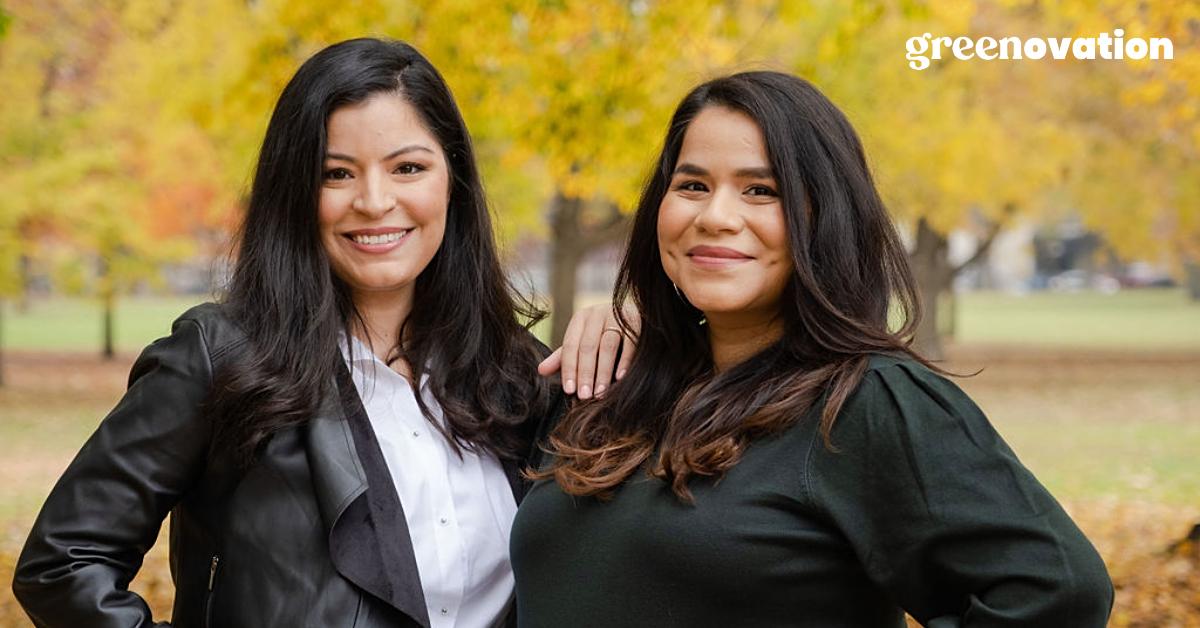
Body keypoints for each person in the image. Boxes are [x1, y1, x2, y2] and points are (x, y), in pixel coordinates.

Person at [12, 38, 627, 628]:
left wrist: (641, 320)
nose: (374, 200)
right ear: (294, 192)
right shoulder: (220, 358)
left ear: (453, 182)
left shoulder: (522, 377)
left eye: (408, 167)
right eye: (336, 174)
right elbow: (62, 563)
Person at [511, 71, 1114, 627]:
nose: (716, 216)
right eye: (693, 184)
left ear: (826, 219)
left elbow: (1059, 591)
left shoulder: (866, 402)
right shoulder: (610, 388)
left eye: (761, 191)